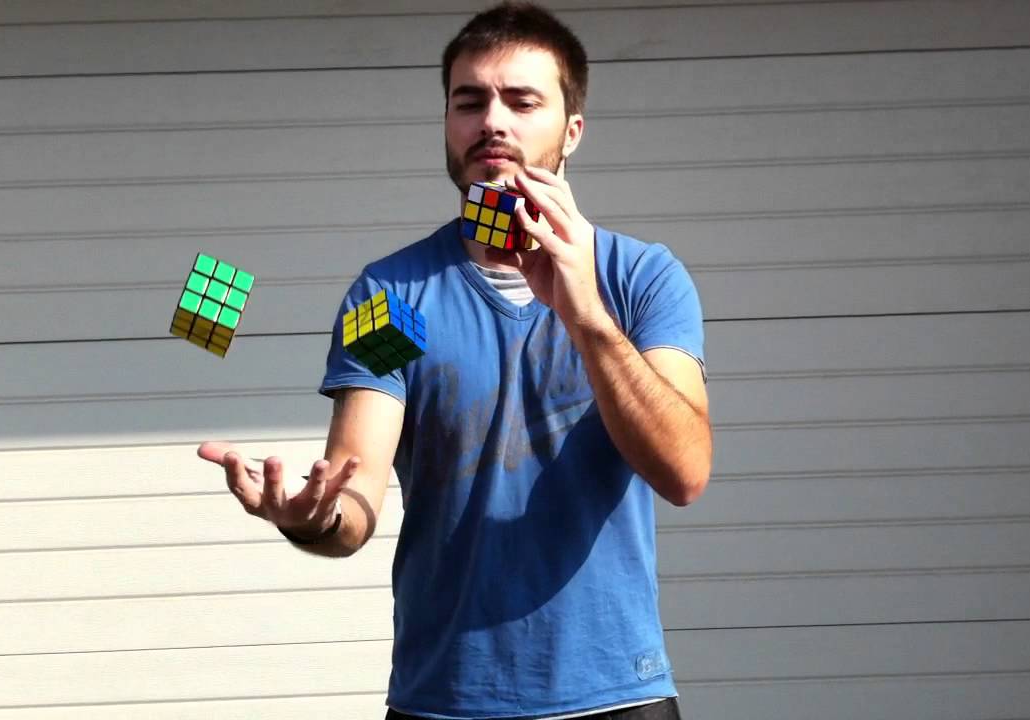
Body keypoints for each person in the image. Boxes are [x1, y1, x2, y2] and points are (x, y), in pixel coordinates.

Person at [198, 3, 712, 718]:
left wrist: (584, 311)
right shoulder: (394, 296)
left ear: (572, 131)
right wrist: (308, 517)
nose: (492, 121)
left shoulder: (641, 280)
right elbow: (355, 492)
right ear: (448, 124)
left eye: (522, 101)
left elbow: (684, 471)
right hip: (447, 699)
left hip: (616, 697)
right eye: (469, 102)